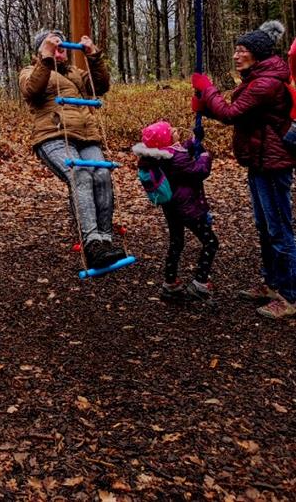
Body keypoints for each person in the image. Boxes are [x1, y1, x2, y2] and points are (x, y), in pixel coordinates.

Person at [192, 20, 296, 320]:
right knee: (266, 227)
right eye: (236, 50)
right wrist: (205, 106)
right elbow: (240, 116)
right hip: (259, 161)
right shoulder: (256, 78)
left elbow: (231, 113)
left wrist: (208, 90)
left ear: (258, 55)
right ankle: (272, 283)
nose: (237, 56)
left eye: (243, 51)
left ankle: (290, 295)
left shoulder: (265, 82)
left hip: (273, 164)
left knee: (279, 230)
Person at [19, 29, 123, 269]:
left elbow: (101, 86)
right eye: (54, 44)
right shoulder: (29, 72)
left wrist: (94, 57)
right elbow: (31, 91)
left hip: (86, 136)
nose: (60, 48)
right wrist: (46, 58)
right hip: (53, 136)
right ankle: (92, 244)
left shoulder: (76, 74)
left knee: (102, 175)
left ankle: (106, 241)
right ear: (42, 49)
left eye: (62, 45)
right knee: (80, 176)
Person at [133, 120, 218, 302]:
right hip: (188, 208)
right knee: (211, 242)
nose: (174, 129)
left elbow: (180, 149)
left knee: (176, 242)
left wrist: (194, 140)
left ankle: (170, 282)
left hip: (172, 208)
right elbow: (199, 170)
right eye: (170, 131)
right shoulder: (177, 159)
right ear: (166, 140)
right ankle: (200, 282)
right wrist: (204, 154)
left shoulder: (161, 156)